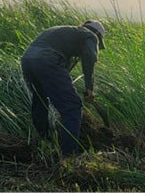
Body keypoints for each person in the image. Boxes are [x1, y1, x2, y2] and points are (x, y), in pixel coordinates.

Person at [20, 20, 106, 157]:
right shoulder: (90, 35)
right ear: (97, 34)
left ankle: (46, 143)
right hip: (47, 59)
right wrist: (89, 88)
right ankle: (70, 155)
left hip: (27, 60)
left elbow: (62, 72)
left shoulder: (66, 31)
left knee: (41, 101)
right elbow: (90, 57)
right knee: (73, 107)